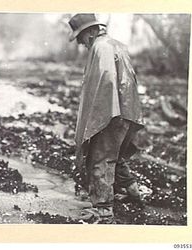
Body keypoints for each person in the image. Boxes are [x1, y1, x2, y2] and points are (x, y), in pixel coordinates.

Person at [68, 13, 145, 223]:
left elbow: (107, 82)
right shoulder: (116, 44)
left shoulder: (100, 48)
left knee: (100, 157)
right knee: (116, 154)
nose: (81, 43)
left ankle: (103, 209)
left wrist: (99, 118)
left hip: (114, 111)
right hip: (127, 110)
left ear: (91, 32)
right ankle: (132, 191)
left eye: (81, 37)